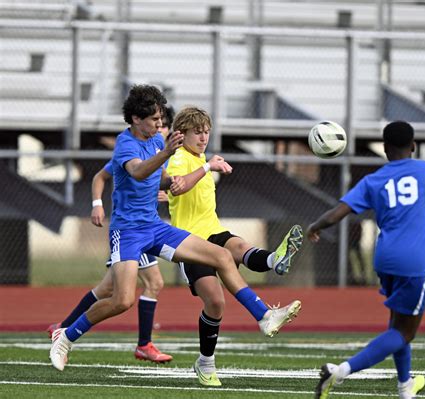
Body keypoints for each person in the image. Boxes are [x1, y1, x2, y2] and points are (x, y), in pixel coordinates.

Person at [49, 84, 301, 372]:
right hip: (127, 232)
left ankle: (264, 315)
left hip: (155, 227)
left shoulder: (157, 140)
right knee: (121, 299)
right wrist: (166, 153)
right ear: (135, 119)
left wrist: (172, 183)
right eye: (154, 119)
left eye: (161, 119)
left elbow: (158, 177)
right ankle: (66, 337)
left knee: (220, 256)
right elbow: (138, 171)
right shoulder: (126, 143)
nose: (160, 124)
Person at [307, 121, 425, 399]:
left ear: (385, 149)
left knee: (397, 324)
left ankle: (405, 387)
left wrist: (315, 226)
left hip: (385, 258)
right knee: (405, 332)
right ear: (413, 146)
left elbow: (338, 213)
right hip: (413, 261)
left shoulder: (373, 180)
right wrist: (424, 207)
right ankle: (339, 371)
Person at [166, 106, 304, 386]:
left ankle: (274, 262)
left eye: (206, 132)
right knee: (216, 303)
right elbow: (178, 186)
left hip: (213, 231)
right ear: (182, 134)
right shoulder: (179, 158)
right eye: (197, 132)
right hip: (189, 242)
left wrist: (205, 165)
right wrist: (207, 167)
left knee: (239, 246)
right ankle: (205, 362)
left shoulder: (200, 156)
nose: (203, 137)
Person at [47, 157, 173, 363]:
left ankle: (61, 328)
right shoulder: (134, 150)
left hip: (145, 229)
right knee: (153, 283)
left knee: (107, 289)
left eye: (161, 124)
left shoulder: (166, 156)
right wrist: (97, 204)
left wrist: (168, 194)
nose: (158, 127)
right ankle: (144, 345)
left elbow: (168, 185)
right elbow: (101, 176)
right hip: (131, 231)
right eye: (155, 123)